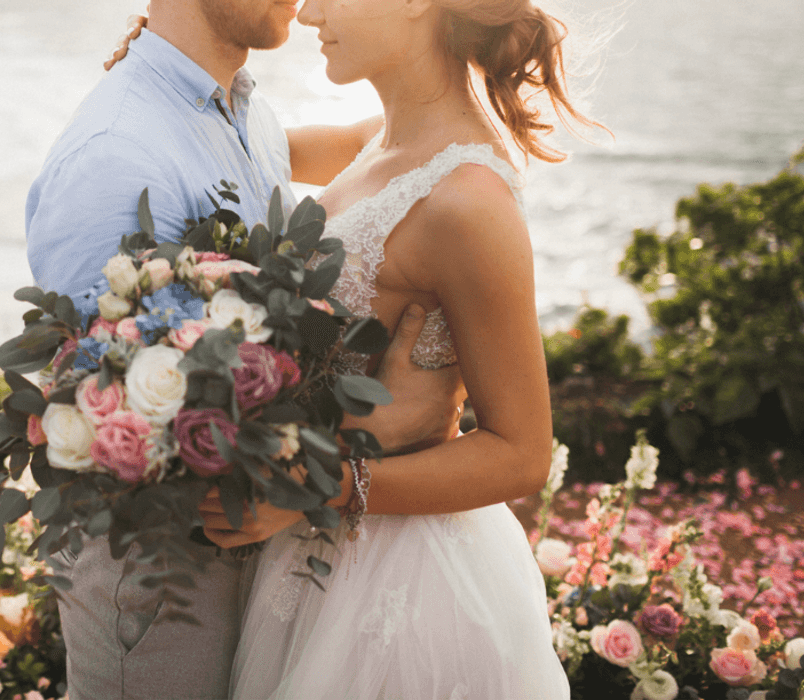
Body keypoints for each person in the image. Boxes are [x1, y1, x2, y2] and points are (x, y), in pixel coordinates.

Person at [24, 2, 466, 698]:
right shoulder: (116, 156)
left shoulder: (245, 114)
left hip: (265, 559)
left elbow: (389, 148)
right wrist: (384, 429)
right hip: (159, 579)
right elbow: (120, 436)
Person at [178, 0, 603, 695]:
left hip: (403, 586)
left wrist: (322, 484)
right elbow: (213, 158)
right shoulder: (371, 140)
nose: (309, 14)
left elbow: (521, 454)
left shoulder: (467, 203)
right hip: (309, 556)